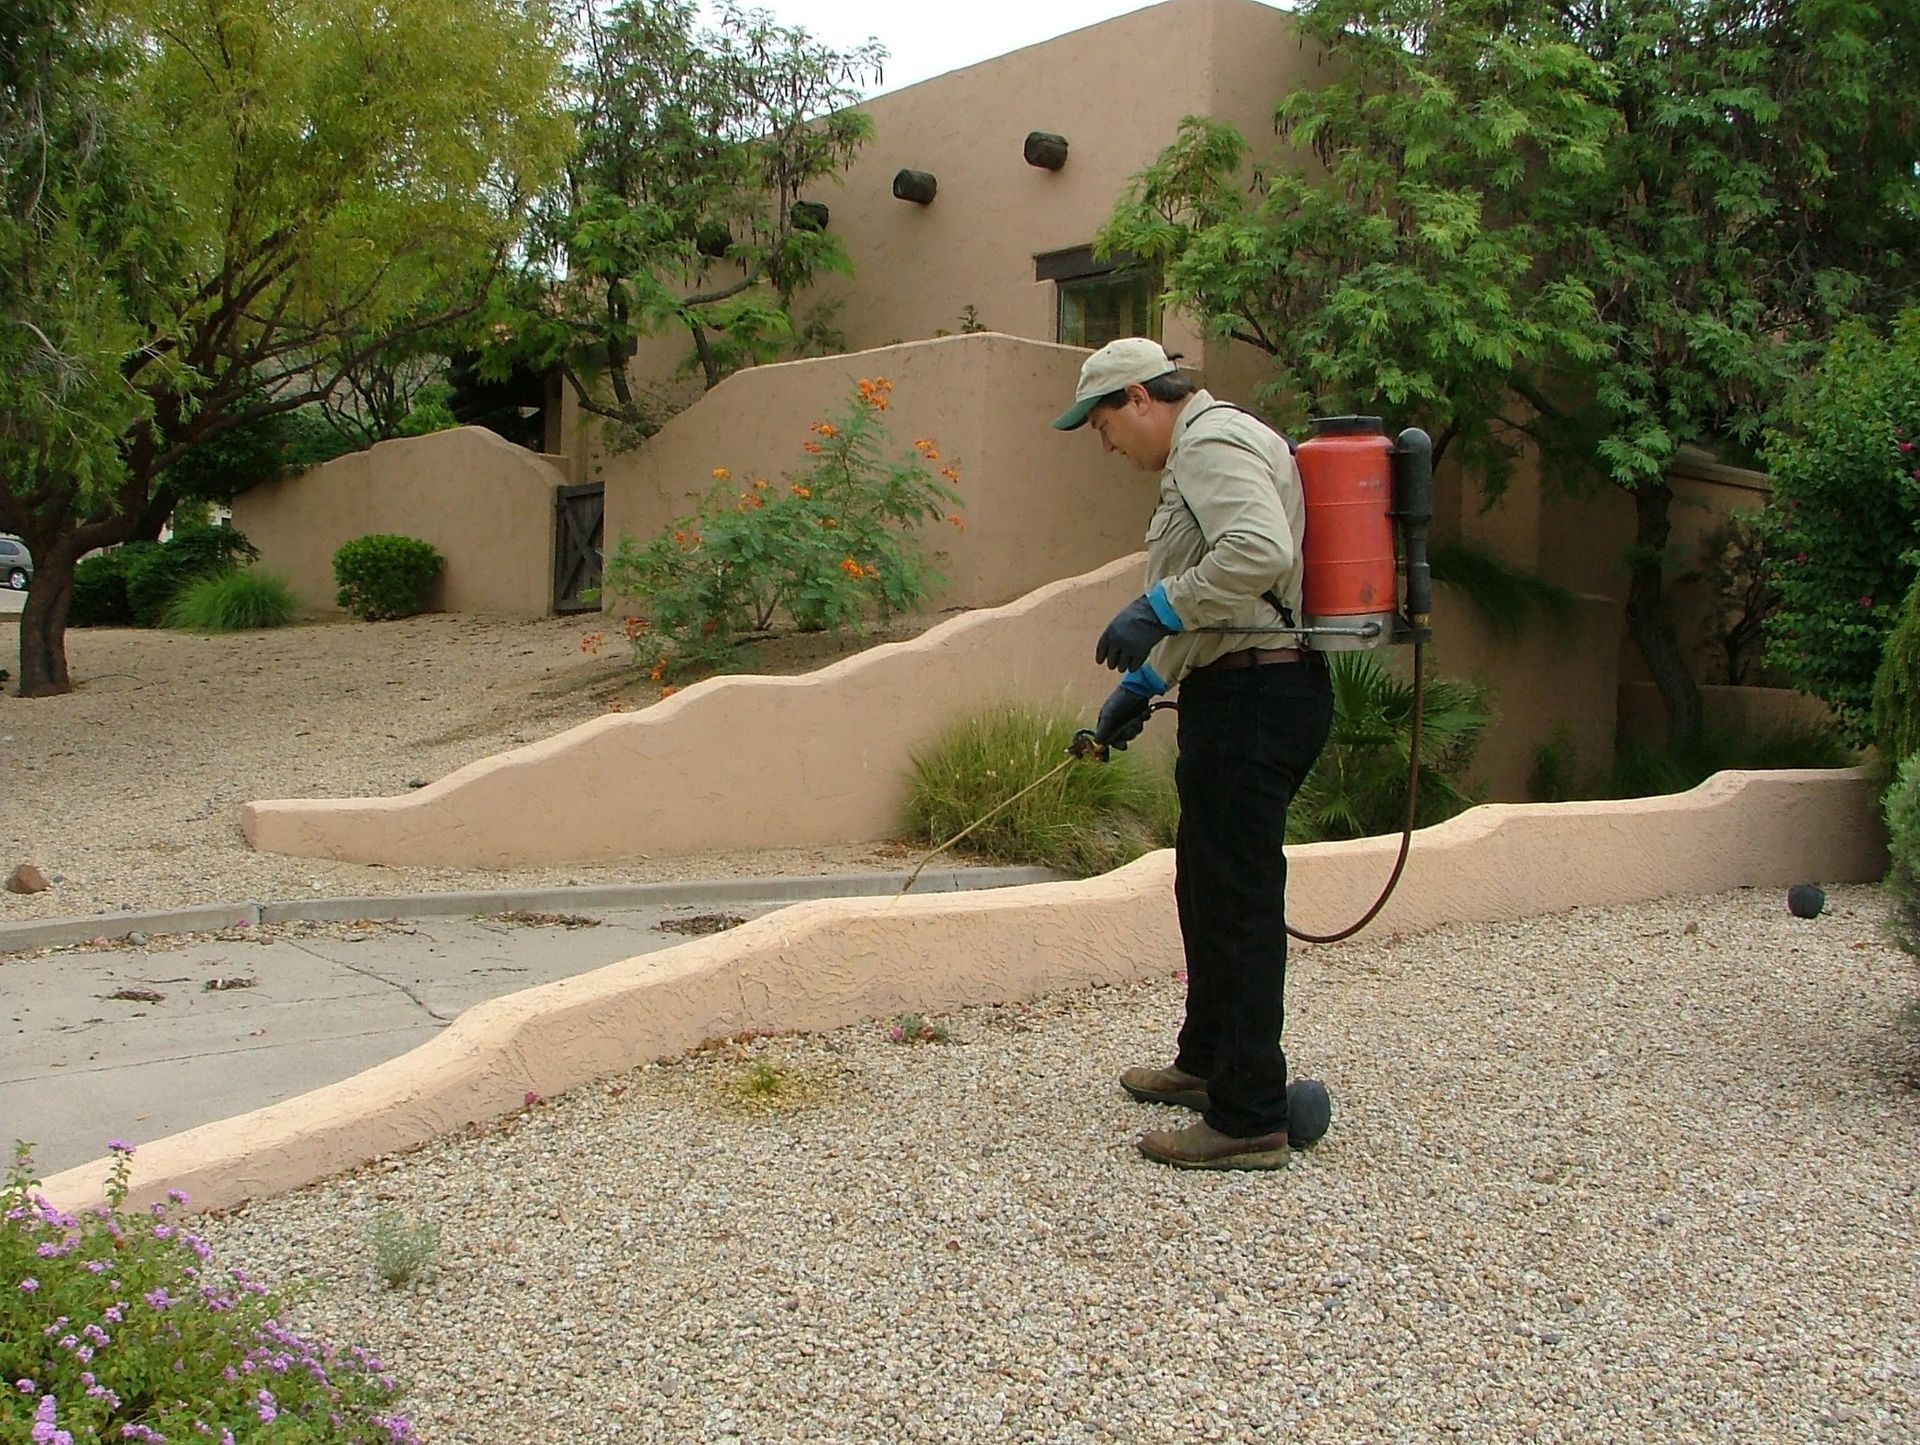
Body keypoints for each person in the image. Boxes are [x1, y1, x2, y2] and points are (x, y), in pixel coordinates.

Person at [1052, 337, 1333, 1171]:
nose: (1108, 446)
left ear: (1140, 398)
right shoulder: (1196, 456)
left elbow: (1259, 553)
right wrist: (1145, 680)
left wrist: (1158, 603)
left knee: (1239, 902)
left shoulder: (1210, 442)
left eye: (1106, 426)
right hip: (1236, 688)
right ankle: (1206, 1061)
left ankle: (1249, 1115)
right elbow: (1222, 601)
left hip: (1259, 696)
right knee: (1205, 886)